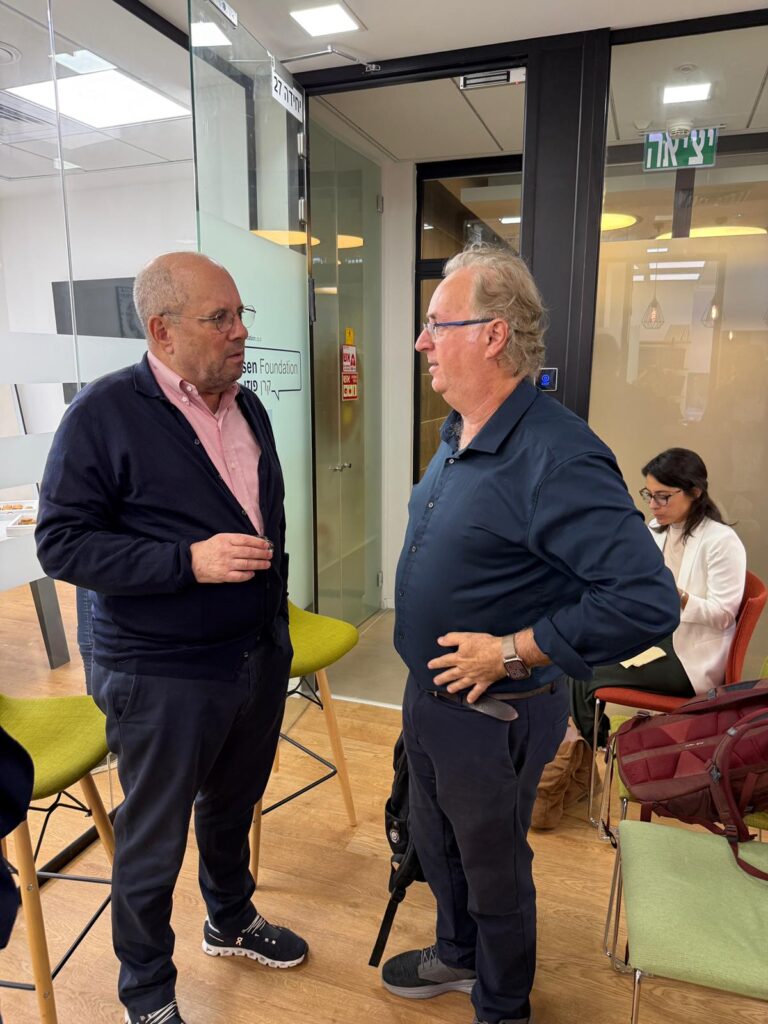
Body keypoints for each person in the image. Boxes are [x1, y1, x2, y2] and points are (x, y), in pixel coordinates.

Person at [381, 245, 680, 1024]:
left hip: (494, 710)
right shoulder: (460, 429)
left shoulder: (558, 454)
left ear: (492, 334)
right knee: (436, 840)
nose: (421, 341)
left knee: (493, 868)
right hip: (432, 695)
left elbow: (644, 600)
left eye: (436, 324)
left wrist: (512, 650)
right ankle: (457, 953)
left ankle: (503, 1004)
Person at [36, 252, 307, 1024]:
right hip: (161, 670)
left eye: (240, 314)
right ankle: (147, 993)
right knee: (153, 840)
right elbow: (61, 544)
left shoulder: (247, 408)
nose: (240, 330)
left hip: (255, 654)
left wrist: (274, 629)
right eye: (220, 318)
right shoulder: (103, 414)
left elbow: (265, 526)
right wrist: (186, 562)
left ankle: (230, 919)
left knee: (232, 805)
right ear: (162, 330)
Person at [569, 447, 747, 746]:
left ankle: (591, 750)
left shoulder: (721, 541)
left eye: (663, 497)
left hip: (690, 656)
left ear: (695, 492)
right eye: (648, 495)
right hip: (657, 636)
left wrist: (676, 596)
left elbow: (723, 615)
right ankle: (587, 747)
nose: (653, 505)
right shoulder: (657, 530)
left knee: (584, 674)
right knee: (573, 655)